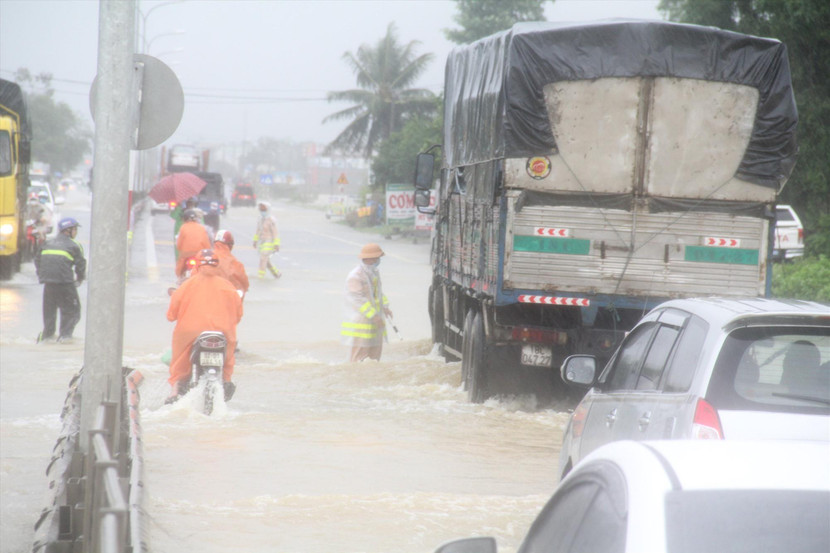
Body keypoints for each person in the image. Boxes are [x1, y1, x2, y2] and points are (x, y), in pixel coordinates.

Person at [166, 249, 243, 403]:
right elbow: (238, 314)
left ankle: (175, 391)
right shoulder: (228, 286)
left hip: (191, 333)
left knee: (181, 357)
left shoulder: (187, 286)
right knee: (228, 356)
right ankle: (226, 380)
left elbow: (171, 315)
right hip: (222, 332)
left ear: (198, 264)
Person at [34, 217, 86, 344]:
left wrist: (42, 275)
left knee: (49, 313)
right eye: (75, 229)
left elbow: (37, 260)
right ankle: (65, 338)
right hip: (65, 284)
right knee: (72, 311)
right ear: (68, 230)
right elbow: (81, 265)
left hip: (48, 284)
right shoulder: (74, 245)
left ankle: (46, 337)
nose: (76, 232)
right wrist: (79, 279)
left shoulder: (47, 243)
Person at [341, 243, 392, 362]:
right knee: (359, 357)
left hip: (375, 319)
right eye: (377, 257)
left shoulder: (373, 272)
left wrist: (385, 307)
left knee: (374, 358)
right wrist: (374, 316)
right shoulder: (355, 276)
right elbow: (357, 300)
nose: (378, 260)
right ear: (370, 258)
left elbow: (378, 293)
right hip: (363, 321)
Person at [211, 229, 250, 299]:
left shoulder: (206, 257)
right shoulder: (234, 262)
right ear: (230, 245)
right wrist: (245, 287)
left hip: (210, 295)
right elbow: (243, 279)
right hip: (228, 297)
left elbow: (194, 275)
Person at [175, 208, 211, 280]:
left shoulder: (183, 227)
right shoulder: (201, 228)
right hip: (199, 254)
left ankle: (180, 279)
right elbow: (207, 244)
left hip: (186, 254)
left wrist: (180, 250)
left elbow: (179, 245)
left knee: (180, 267)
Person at [253, 200, 281, 279]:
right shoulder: (260, 219)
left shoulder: (271, 220)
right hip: (262, 242)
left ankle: (260, 276)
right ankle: (277, 273)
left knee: (263, 258)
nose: (262, 211)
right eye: (261, 209)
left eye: (264, 209)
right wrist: (255, 241)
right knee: (266, 260)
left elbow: (275, 233)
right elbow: (258, 230)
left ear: (268, 209)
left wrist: (276, 244)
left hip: (269, 242)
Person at [170, 196, 199, 260]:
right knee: (179, 255)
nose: (190, 205)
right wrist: (178, 206)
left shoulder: (198, 213)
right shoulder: (181, 211)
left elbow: (202, 226)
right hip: (180, 236)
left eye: (192, 203)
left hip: (194, 238)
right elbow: (173, 215)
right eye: (189, 203)